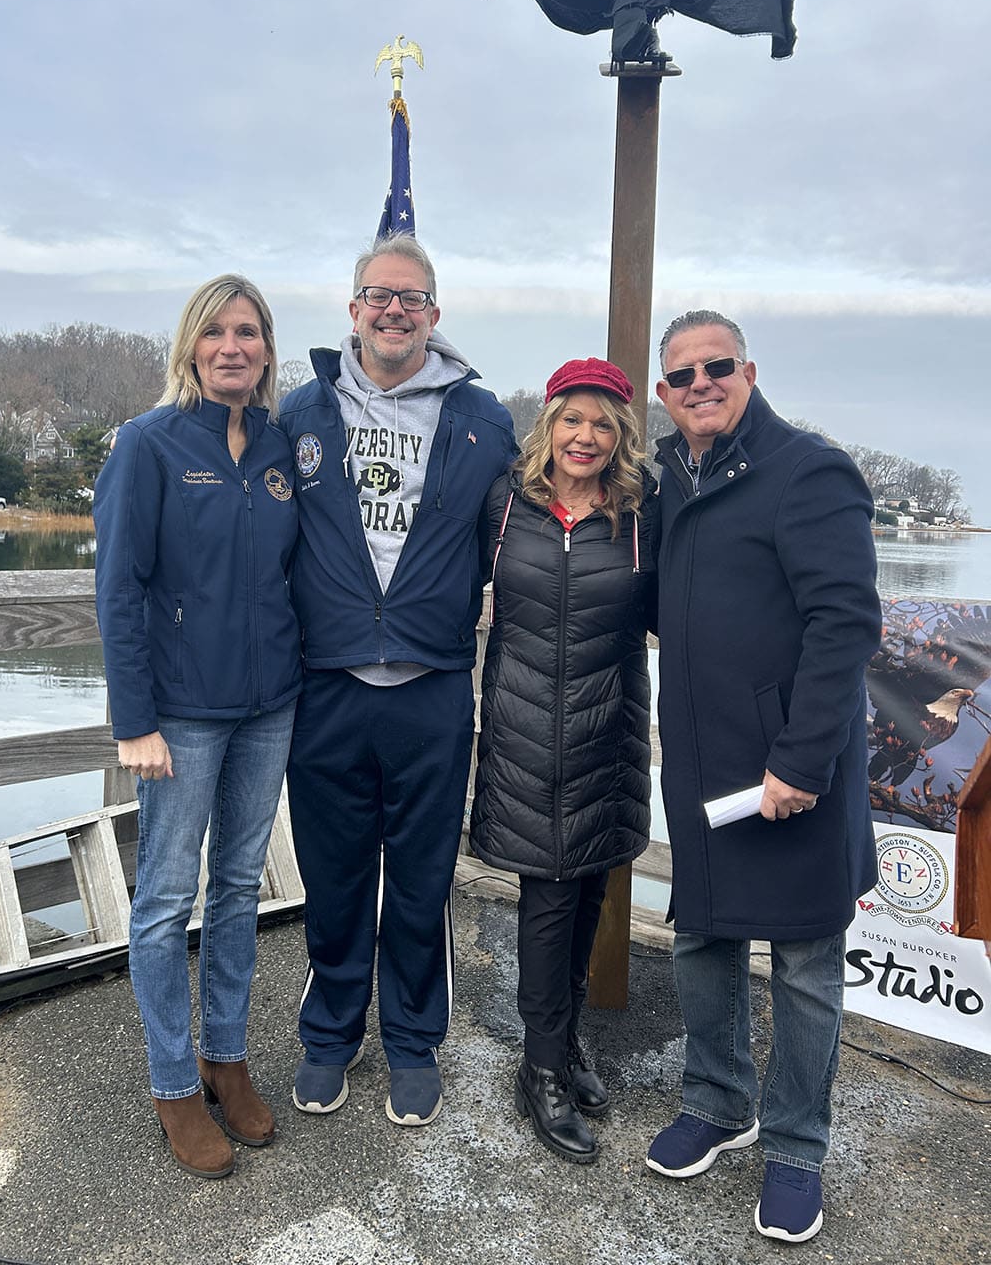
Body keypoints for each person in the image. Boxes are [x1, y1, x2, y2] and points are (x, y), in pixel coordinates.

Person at [647, 309, 881, 1243]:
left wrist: (800, 758)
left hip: (792, 769)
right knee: (702, 938)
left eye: (717, 366)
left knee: (805, 964)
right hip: (701, 759)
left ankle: (795, 1146)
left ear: (749, 372)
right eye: (682, 375)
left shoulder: (808, 470)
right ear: (664, 394)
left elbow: (845, 623)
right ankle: (717, 1100)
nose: (700, 384)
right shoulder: (670, 477)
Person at [278, 233, 515, 1128]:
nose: (394, 310)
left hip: (432, 683)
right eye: (379, 295)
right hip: (328, 683)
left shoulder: (482, 418)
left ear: (434, 314)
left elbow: (519, 534)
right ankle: (330, 1033)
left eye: (411, 298)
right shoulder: (299, 412)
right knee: (333, 874)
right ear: (353, 310)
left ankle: (414, 1040)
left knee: (421, 878)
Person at [93, 274, 301, 1179]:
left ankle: (226, 1055)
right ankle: (174, 1084)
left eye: (247, 332)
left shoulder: (279, 447)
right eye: (214, 332)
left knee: (240, 886)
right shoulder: (148, 443)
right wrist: (134, 720)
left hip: (270, 705)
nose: (231, 347)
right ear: (189, 346)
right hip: (179, 714)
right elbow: (118, 589)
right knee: (166, 898)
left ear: (267, 350)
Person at [470, 358, 657, 1164]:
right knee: (547, 895)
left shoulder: (641, 514)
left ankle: (567, 1038)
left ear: (621, 436)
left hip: (607, 729)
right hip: (523, 729)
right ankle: (540, 1067)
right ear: (549, 425)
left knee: (586, 891)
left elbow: (680, 605)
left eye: (603, 424)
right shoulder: (505, 504)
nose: (586, 436)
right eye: (572, 420)